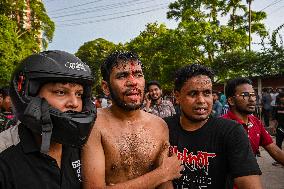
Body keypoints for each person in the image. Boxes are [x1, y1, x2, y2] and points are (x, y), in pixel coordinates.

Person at [82, 51, 183, 189]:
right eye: (122, 76)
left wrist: (163, 176)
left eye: (138, 75)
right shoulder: (95, 123)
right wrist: (162, 173)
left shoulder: (159, 126)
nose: (133, 82)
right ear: (106, 87)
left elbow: (164, 185)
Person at [0, 50, 96, 189]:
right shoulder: (5, 154)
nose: (74, 103)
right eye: (61, 92)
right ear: (30, 95)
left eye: (79, 94)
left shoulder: (84, 147)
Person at [164, 64, 262, 189]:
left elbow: (250, 184)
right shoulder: (163, 128)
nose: (201, 100)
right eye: (193, 94)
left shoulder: (231, 131)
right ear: (177, 96)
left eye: (207, 93)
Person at [222, 77, 284, 163]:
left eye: (253, 95)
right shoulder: (221, 126)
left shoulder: (255, 122)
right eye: (245, 95)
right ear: (231, 100)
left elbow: (274, 150)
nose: (252, 99)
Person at [271, 92, 284, 166]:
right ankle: (279, 160)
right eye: (281, 97)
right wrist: (274, 127)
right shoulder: (277, 107)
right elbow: (275, 119)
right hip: (280, 128)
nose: (282, 99)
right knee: (278, 144)